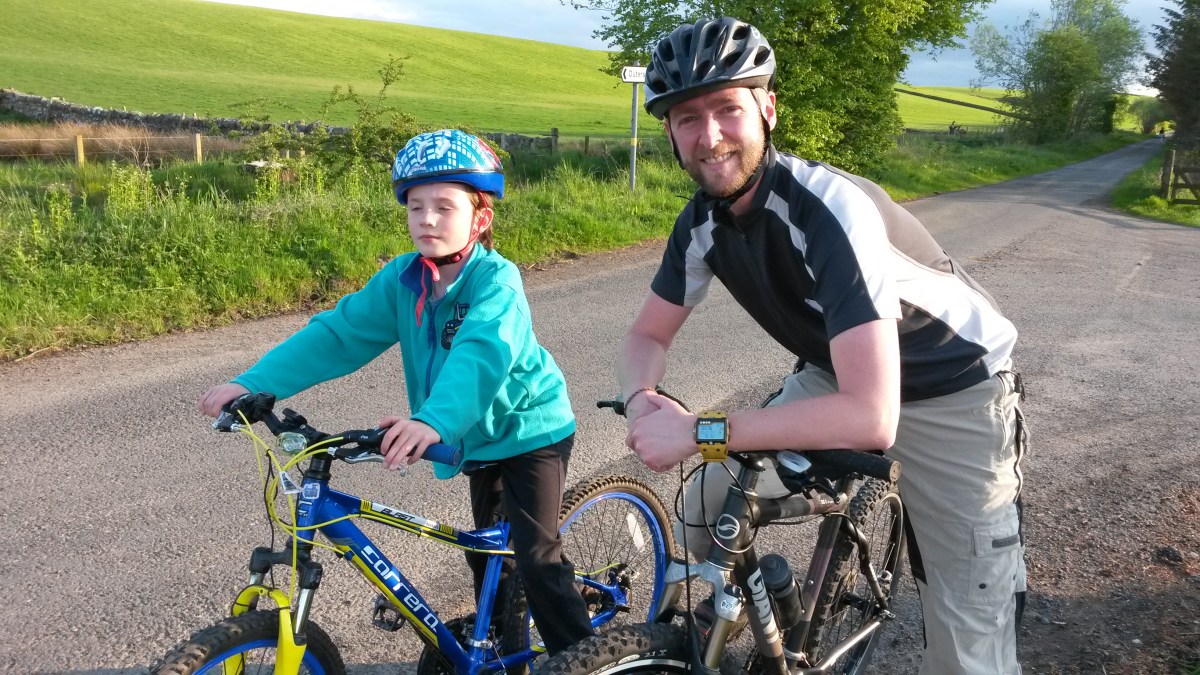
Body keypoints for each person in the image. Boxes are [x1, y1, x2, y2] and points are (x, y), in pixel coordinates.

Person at [617, 18, 1028, 675]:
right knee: (705, 503)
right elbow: (646, 334)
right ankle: (736, 636)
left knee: (967, 646)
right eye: (687, 117)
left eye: (728, 108)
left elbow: (872, 418)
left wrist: (699, 429)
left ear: (767, 108)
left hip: (954, 387)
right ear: (669, 132)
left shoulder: (830, 209)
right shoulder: (700, 222)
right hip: (841, 372)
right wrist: (642, 397)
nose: (710, 135)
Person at [197, 129, 594, 655]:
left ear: (480, 217)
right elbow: (337, 335)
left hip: (529, 431)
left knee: (536, 558)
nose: (427, 219)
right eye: (415, 206)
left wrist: (433, 421)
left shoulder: (496, 282)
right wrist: (252, 383)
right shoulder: (404, 279)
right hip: (469, 435)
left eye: (444, 207)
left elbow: (483, 353)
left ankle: (592, 661)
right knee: (487, 555)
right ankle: (501, 655)